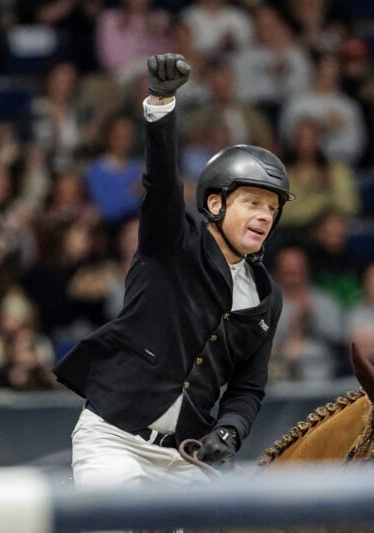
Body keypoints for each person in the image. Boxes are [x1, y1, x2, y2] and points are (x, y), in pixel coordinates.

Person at [53, 53, 293, 489]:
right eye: (253, 203)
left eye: (272, 209)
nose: (264, 217)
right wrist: (161, 105)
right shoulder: (172, 241)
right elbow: (161, 183)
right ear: (215, 204)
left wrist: (230, 429)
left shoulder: (266, 295)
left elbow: (247, 388)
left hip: (187, 459)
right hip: (115, 442)